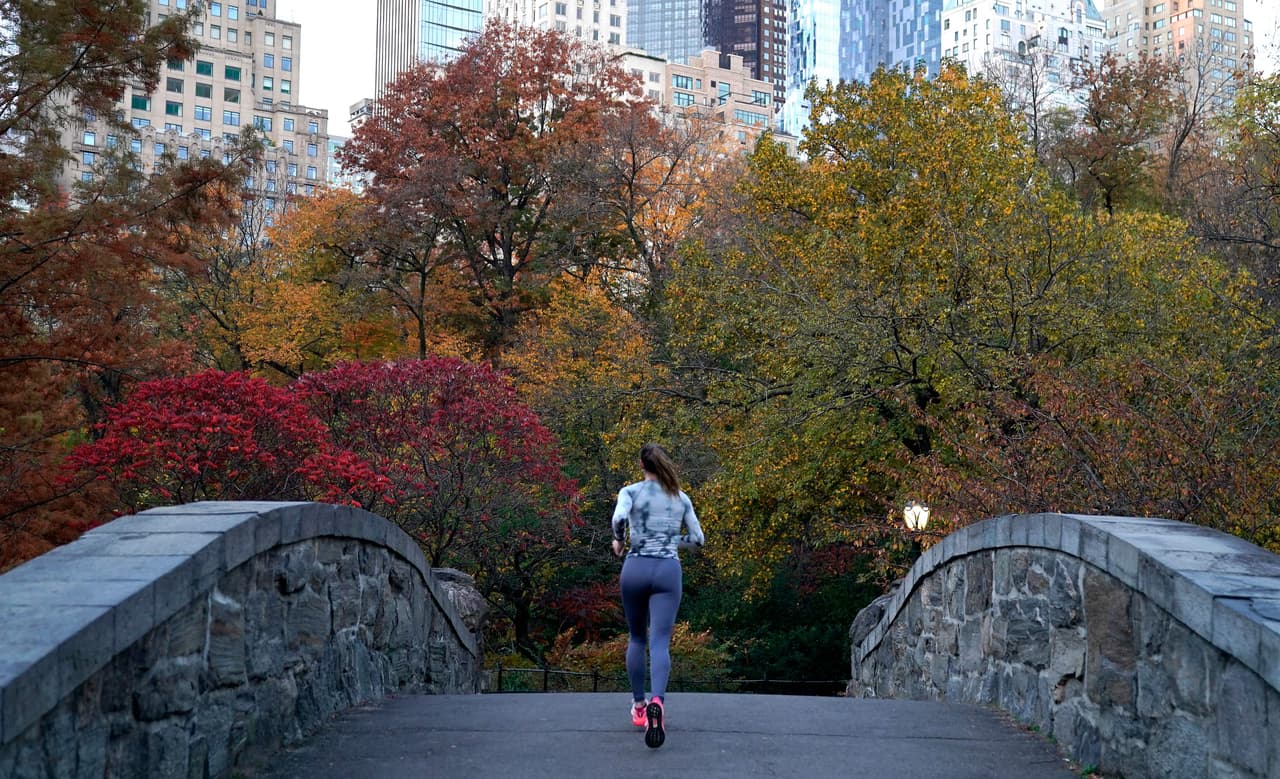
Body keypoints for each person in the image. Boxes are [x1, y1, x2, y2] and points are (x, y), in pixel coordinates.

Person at [610, 442, 705, 749]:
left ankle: (639, 706)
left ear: (642, 466)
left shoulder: (630, 492)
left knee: (637, 638)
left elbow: (618, 520)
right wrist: (669, 540)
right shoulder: (681, 497)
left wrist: (619, 541)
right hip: (667, 570)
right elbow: (698, 539)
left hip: (636, 567)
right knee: (660, 640)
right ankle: (658, 703)